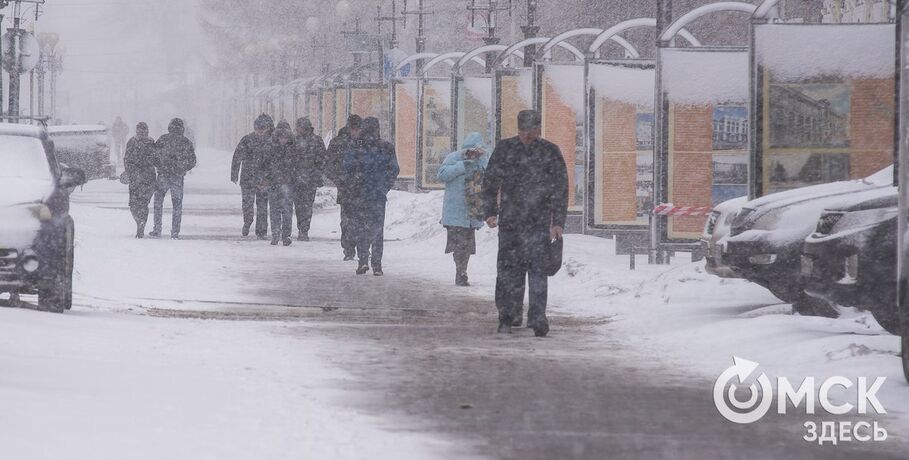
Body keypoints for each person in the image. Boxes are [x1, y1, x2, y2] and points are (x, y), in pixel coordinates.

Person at [482, 110, 568, 337]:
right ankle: (507, 316)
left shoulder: (549, 151)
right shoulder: (505, 149)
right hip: (510, 222)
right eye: (523, 130)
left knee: (538, 271)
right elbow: (490, 181)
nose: (527, 135)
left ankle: (538, 317)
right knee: (509, 272)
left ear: (539, 129)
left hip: (538, 223)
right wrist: (489, 212)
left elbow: (560, 188)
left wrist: (558, 221)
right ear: (518, 129)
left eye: (532, 130)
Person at [343, 117, 399, 276]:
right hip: (377, 195)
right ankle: (377, 264)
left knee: (361, 228)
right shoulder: (386, 147)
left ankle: (362, 260)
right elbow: (394, 169)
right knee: (377, 229)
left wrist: (354, 185)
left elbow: (347, 168)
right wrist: (383, 187)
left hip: (359, 194)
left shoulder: (355, 146)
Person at [438, 132, 489, 287]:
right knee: (459, 244)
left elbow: (490, 177)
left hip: (472, 211)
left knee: (466, 246)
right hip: (455, 212)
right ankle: (460, 272)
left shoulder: (483, 161)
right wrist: (462, 166)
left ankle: (462, 270)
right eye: (471, 151)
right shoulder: (454, 158)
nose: (474, 154)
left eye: (477, 151)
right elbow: (442, 175)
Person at [151, 118, 197, 239]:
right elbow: (192, 161)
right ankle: (175, 231)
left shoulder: (163, 139)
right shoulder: (185, 142)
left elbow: (153, 156)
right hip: (177, 177)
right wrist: (182, 168)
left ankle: (157, 228)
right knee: (177, 205)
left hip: (163, 176)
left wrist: (160, 166)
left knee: (158, 203)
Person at [231, 114, 274, 239]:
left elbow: (237, 157)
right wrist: (234, 174)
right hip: (251, 178)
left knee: (261, 205)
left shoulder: (269, 141)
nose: (260, 131)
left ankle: (261, 229)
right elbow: (237, 157)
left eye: (262, 128)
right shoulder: (249, 140)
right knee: (250, 204)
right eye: (258, 128)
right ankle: (248, 222)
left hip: (258, 178)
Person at [326, 115, 362, 260]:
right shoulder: (339, 143)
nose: (356, 132)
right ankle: (349, 248)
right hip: (347, 188)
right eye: (354, 129)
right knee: (348, 220)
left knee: (358, 220)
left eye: (357, 129)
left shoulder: (364, 142)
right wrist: (339, 180)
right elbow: (328, 165)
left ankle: (360, 248)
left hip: (359, 188)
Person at [263, 126, 298, 246]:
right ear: (277, 138)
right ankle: (276, 234)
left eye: (285, 138)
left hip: (287, 183)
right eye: (281, 138)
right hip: (274, 183)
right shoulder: (271, 149)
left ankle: (286, 235)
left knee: (287, 210)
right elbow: (265, 164)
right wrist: (266, 178)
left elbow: (296, 166)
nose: (283, 140)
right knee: (274, 210)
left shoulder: (293, 149)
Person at [293, 118, 327, 241]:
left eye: (299, 127)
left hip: (310, 179)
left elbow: (322, 159)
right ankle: (301, 227)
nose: (297, 129)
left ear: (304, 128)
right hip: (297, 179)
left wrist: (316, 172)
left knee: (307, 205)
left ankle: (304, 229)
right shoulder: (294, 140)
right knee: (299, 205)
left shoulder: (316, 141)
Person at [123, 122, 157, 238]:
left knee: (134, 204)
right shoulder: (151, 142)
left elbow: (127, 159)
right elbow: (156, 158)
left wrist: (129, 171)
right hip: (149, 177)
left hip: (136, 177)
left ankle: (139, 221)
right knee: (144, 203)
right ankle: (142, 222)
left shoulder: (132, 142)